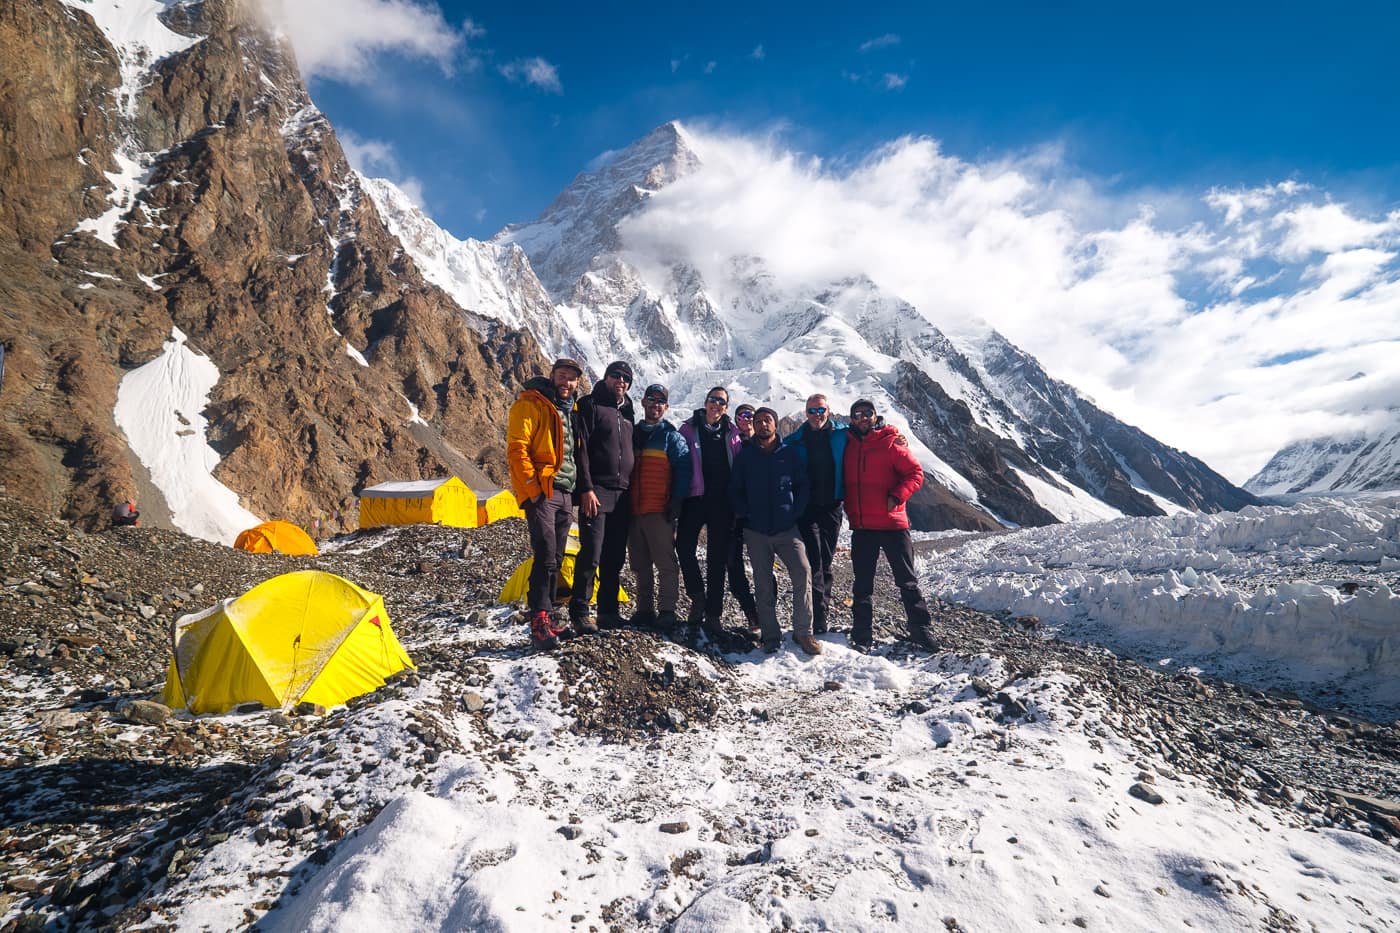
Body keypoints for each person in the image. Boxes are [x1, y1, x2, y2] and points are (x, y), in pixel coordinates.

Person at [843, 399, 935, 652]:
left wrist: (896, 497)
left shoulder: (890, 443)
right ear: (851, 419)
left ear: (875, 416)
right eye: (858, 414)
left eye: (867, 414)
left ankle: (922, 630)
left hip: (893, 524)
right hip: (862, 526)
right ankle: (862, 635)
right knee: (862, 584)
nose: (863, 418)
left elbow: (915, 473)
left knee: (906, 581)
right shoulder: (846, 444)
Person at [507, 357, 584, 650]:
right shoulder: (531, 404)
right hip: (544, 491)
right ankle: (538, 623)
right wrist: (533, 490)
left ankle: (548, 618)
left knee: (558, 557)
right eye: (562, 376)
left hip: (565, 492)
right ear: (552, 376)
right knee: (546, 555)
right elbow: (517, 448)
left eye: (572, 378)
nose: (567, 382)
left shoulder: (570, 410)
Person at [730, 407, 820, 655]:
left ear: (775, 424)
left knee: (802, 571)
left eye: (766, 420)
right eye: (757, 421)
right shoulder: (745, 457)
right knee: (762, 583)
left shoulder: (789, 454)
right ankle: (771, 636)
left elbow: (802, 486)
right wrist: (745, 513)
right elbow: (735, 489)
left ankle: (803, 632)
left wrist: (795, 513)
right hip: (756, 531)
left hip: (787, 529)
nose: (762, 425)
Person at [571, 361, 636, 633]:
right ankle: (580, 612)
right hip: (596, 491)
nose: (620, 380)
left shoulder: (628, 412)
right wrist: (585, 488)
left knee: (614, 555)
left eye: (625, 378)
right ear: (606, 378)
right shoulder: (590, 405)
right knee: (591, 553)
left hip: (622, 495)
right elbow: (581, 449)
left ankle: (608, 611)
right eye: (615, 375)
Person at [677, 385, 743, 638]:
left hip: (723, 503)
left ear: (726, 408)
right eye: (713, 399)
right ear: (705, 402)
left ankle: (714, 613)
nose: (716, 405)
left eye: (722, 402)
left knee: (717, 558)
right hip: (694, 499)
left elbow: (739, 469)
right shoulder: (687, 429)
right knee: (683, 547)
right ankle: (697, 596)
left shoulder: (733, 433)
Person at [627, 383, 691, 633]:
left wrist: (676, 502)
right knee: (639, 562)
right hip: (633, 509)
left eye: (660, 401)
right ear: (643, 403)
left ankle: (667, 610)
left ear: (666, 407)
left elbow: (684, 471)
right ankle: (644, 609)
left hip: (659, 508)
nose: (655, 405)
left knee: (665, 562)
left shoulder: (672, 437)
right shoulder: (630, 433)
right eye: (651, 400)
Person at [783, 393, 848, 635]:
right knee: (815, 560)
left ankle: (820, 610)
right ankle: (818, 617)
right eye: (812, 411)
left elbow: (867, 436)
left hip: (832, 506)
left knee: (826, 560)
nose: (816, 415)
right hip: (807, 509)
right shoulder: (795, 441)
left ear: (828, 411)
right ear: (805, 413)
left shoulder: (842, 434)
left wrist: (892, 433)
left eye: (821, 410)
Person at [727, 404, 760, 634]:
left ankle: (765, 615)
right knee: (734, 566)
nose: (747, 420)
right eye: (742, 416)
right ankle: (751, 614)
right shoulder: (729, 442)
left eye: (751, 416)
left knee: (763, 567)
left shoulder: (766, 444)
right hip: (733, 515)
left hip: (758, 515)